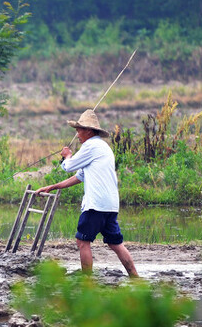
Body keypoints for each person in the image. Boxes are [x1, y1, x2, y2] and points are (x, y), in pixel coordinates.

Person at [36, 108, 139, 277]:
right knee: (115, 243)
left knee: (82, 241)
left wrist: (67, 155)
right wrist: (52, 187)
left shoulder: (91, 146)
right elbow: (79, 176)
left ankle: (87, 281)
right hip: (110, 205)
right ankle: (135, 277)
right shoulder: (103, 147)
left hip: (96, 205)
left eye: (79, 130)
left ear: (89, 131)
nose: (77, 135)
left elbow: (68, 166)